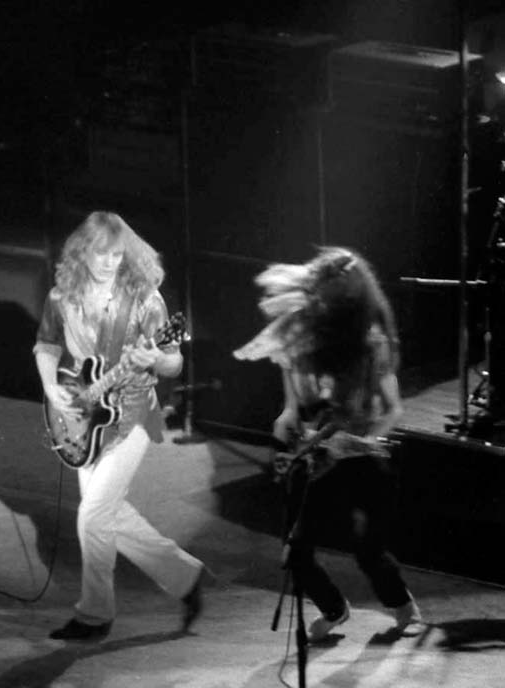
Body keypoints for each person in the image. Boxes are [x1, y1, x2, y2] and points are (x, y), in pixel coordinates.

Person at [234, 246, 424, 642]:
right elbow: (291, 403)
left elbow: (392, 409)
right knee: (295, 553)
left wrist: (362, 441)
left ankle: (404, 608)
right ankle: (334, 609)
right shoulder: (302, 338)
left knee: (368, 550)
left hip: (362, 459)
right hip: (319, 458)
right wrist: (286, 432)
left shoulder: (371, 343)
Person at [34, 211, 204, 640]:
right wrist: (52, 388)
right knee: (109, 514)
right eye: (101, 254)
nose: (110, 263)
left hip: (132, 415)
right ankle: (184, 576)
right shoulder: (62, 297)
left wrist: (157, 358)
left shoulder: (145, 300)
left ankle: (94, 615)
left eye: (117, 255)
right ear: (82, 252)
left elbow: (173, 363)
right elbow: (47, 345)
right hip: (85, 414)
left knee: (93, 515)